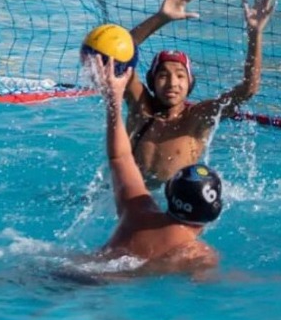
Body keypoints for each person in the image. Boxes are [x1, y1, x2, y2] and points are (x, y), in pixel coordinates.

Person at [124, 0, 276, 186]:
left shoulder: (197, 118)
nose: (172, 83)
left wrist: (254, 34)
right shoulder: (140, 108)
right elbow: (118, 55)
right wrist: (161, 18)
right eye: (163, 75)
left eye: (180, 75)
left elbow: (248, 89)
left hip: (173, 203)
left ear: (190, 83)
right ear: (152, 81)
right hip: (126, 197)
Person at [91, 56, 223, 278]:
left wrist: (113, 98)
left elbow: (120, 157)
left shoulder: (136, 209)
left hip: (72, 270)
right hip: (104, 288)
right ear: (214, 211)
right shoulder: (196, 254)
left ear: (170, 193)